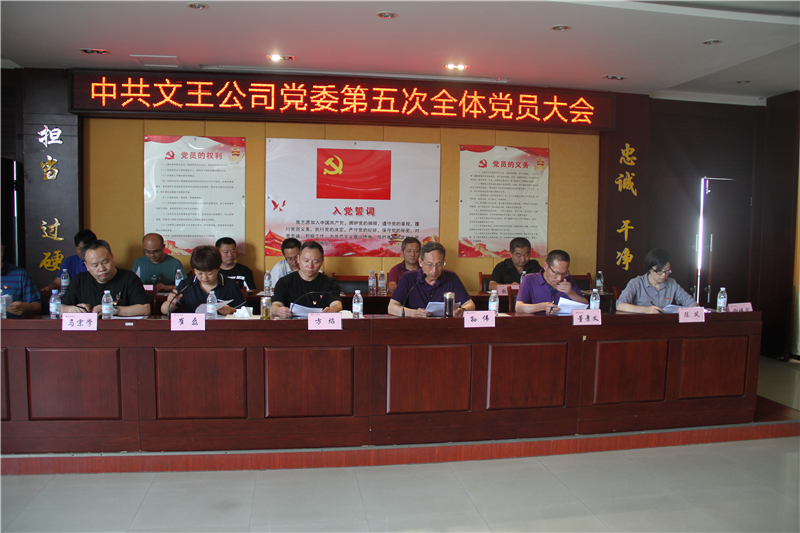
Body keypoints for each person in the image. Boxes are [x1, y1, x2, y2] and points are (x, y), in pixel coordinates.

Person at [61, 240, 150, 316]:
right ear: (86, 266)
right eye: (95, 265)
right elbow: (60, 308)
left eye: (105, 262)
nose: (102, 268)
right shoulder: (79, 280)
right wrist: (71, 310)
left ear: (112, 258)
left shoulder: (129, 278)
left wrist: (114, 310)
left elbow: (145, 309)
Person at [388, 242, 475, 317]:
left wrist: (462, 310)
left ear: (444, 262)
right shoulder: (408, 278)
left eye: (439, 264)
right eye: (429, 264)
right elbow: (391, 307)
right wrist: (414, 313)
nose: (434, 270)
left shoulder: (451, 278)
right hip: (415, 326)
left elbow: (470, 305)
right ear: (420, 262)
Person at [161, 245, 244, 315]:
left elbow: (245, 312)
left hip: (221, 327)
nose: (204, 278)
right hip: (194, 327)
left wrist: (231, 310)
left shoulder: (230, 285)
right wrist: (171, 302)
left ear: (218, 268)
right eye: (199, 273)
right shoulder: (186, 285)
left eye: (209, 274)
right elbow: (164, 311)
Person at [271, 241, 342, 318]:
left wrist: (332, 310)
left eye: (315, 262)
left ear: (322, 262)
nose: (310, 266)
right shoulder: (284, 282)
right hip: (292, 323)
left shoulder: (330, 283)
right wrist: (278, 310)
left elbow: (337, 304)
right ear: (298, 259)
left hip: (320, 323)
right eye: (306, 261)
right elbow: (275, 305)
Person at [616, 248, 699, 313]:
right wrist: (645, 310)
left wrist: (695, 308)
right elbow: (620, 305)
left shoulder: (672, 283)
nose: (664, 275)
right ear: (650, 269)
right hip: (641, 325)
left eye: (667, 271)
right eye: (659, 271)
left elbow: (692, 303)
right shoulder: (636, 283)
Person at [516, 249, 588, 315]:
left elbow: (586, 306)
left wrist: (570, 293)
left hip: (563, 323)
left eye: (564, 273)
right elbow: (518, 307)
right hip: (537, 323)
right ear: (545, 266)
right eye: (556, 273)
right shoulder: (530, 279)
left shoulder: (568, 279)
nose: (560, 278)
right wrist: (543, 306)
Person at [39, 229, 97, 295]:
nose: (81, 252)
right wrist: (50, 287)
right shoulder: (70, 261)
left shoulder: (99, 261)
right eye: (79, 248)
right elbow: (57, 283)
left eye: (84, 249)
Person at [1, 245, 41, 317]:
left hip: (12, 323)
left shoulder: (20, 275)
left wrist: (25, 307)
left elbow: (37, 307)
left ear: (1, 250)